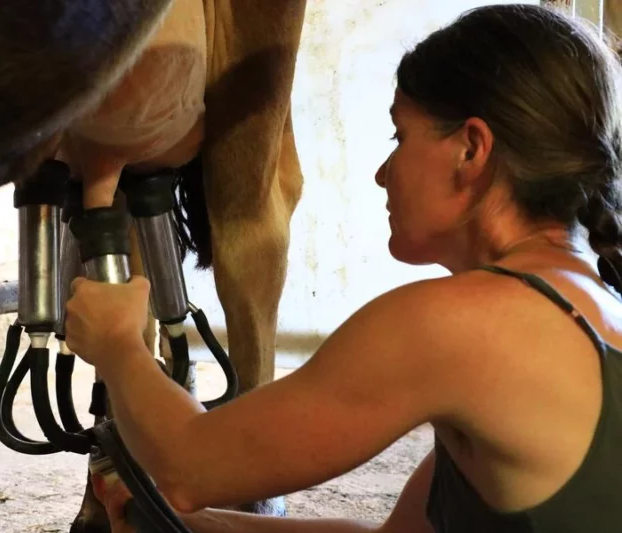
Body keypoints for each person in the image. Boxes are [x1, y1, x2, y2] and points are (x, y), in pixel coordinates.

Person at [65, 4, 622, 532]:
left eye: (399, 137)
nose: (383, 173)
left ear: (471, 150)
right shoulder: (588, 303)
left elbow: (187, 468)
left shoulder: (466, 323)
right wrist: (196, 526)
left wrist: (118, 344)